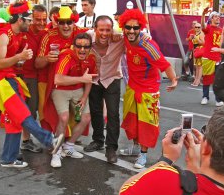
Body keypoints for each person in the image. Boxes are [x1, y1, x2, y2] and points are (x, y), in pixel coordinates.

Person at [0, 1, 63, 168]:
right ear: (20, 19)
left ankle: (8, 158)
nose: (31, 23)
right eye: (29, 20)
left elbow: (9, 63)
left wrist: (20, 59)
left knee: (14, 119)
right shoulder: (4, 35)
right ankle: (48, 140)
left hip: (8, 77)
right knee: (22, 112)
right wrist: (20, 57)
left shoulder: (17, 34)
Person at [118, 9, 178, 169]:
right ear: (123, 27)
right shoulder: (124, 38)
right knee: (132, 121)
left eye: (135, 28)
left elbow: (164, 64)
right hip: (132, 87)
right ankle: (136, 148)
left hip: (148, 91)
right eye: (128, 27)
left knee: (146, 124)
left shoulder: (148, 46)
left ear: (140, 28)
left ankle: (143, 156)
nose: (131, 31)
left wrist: (173, 79)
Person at [35, 6, 87, 130]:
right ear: (56, 23)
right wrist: (47, 58)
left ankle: (68, 142)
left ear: (74, 22)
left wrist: (114, 34)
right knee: (48, 114)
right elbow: (37, 63)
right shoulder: (49, 36)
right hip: (49, 82)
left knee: (78, 116)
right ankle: (52, 142)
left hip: (73, 82)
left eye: (69, 22)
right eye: (61, 22)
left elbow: (100, 32)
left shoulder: (81, 33)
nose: (65, 26)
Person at [50, 33, 96, 168]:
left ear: (90, 47)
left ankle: (68, 146)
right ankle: (56, 151)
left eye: (86, 46)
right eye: (79, 46)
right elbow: (58, 79)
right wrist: (82, 79)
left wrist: (84, 96)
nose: (82, 49)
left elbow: (89, 79)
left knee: (86, 118)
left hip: (78, 91)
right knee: (63, 118)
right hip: (61, 90)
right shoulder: (67, 56)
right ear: (73, 46)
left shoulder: (91, 59)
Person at [83, 15, 124, 164]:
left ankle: (111, 148)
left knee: (113, 114)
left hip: (112, 78)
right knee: (95, 111)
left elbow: (142, 35)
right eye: (101, 30)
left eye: (108, 30)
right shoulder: (87, 37)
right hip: (94, 79)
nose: (105, 33)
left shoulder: (120, 39)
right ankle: (98, 140)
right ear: (95, 29)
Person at [19, 4, 48, 153]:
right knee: (29, 110)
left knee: (42, 109)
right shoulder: (23, 31)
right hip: (27, 76)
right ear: (31, 18)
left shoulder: (47, 32)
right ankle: (26, 140)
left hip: (43, 77)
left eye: (44, 19)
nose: (41, 23)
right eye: (38, 19)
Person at [200, 9, 222, 105]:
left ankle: (218, 99)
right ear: (211, 18)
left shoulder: (221, 30)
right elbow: (202, 26)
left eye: (219, 17)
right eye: (216, 16)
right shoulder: (208, 28)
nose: (218, 18)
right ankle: (205, 97)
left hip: (218, 57)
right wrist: (203, 15)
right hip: (208, 57)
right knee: (207, 78)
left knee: (218, 80)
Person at [190, 22, 204, 87]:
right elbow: (193, 44)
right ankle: (196, 80)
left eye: (199, 27)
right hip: (196, 50)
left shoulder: (201, 34)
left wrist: (196, 38)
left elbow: (203, 43)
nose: (197, 28)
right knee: (197, 67)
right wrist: (191, 53)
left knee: (200, 66)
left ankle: (198, 81)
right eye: (196, 27)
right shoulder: (195, 34)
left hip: (200, 50)